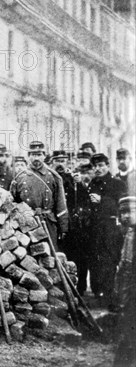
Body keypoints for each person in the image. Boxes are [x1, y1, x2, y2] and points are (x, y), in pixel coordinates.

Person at [10, 141, 68, 251]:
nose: (36, 158)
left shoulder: (54, 177)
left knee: (50, 257)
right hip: (27, 223)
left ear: (44, 156)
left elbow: (61, 205)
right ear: (28, 156)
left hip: (48, 223)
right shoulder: (19, 177)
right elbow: (13, 202)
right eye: (33, 155)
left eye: (39, 154)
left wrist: (63, 228)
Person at [88, 153, 127, 307]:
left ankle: (109, 296)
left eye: (100, 166)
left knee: (109, 262)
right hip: (94, 229)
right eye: (95, 166)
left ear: (107, 166)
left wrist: (102, 200)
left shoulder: (118, 184)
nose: (97, 169)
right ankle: (98, 294)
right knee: (95, 262)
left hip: (111, 229)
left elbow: (122, 206)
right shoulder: (92, 183)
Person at [63, 163, 95, 295]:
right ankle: (69, 287)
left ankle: (80, 287)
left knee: (82, 258)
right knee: (69, 256)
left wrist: (80, 185)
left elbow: (84, 200)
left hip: (82, 226)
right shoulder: (60, 180)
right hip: (67, 225)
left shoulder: (79, 184)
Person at [113, 196, 136, 366]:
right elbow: (123, 266)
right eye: (123, 213)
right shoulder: (129, 233)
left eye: (131, 211)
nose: (126, 216)